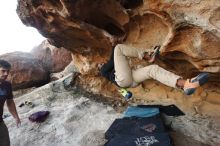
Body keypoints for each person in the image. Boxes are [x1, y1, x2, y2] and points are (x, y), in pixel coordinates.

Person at [100, 44, 209, 98]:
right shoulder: (103, 70)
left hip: (131, 80)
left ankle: (185, 84)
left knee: (153, 69)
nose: (100, 64)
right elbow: (113, 59)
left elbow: (115, 62)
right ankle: (148, 57)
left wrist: (126, 93)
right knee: (118, 48)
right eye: (99, 64)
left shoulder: (114, 70)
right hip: (123, 80)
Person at [0, 59, 21, 146]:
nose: (6, 74)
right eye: (3, 71)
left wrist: (16, 117)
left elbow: (10, 102)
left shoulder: (7, 85)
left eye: (7, 71)